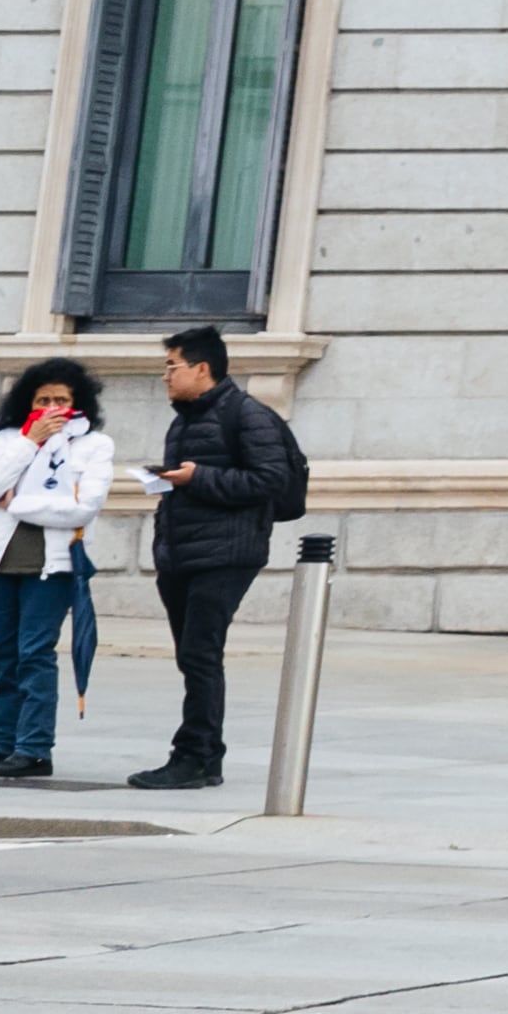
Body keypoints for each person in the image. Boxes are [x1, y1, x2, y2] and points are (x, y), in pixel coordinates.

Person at [130, 324, 310, 791]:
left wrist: (199, 478)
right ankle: (205, 757)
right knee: (193, 656)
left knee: (200, 654)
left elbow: (269, 480)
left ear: (202, 368)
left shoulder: (248, 415)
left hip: (226, 553)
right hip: (182, 553)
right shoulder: (184, 420)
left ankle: (194, 756)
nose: (165, 376)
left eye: (172, 366)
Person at [0, 359, 117, 781]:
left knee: (34, 653)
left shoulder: (94, 446)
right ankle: (2, 740)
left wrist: (17, 505)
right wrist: (30, 441)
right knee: (0, 654)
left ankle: (34, 747)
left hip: (52, 566)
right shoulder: (9, 440)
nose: (50, 409)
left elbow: (81, 508)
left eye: (60, 400)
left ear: (77, 403)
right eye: (42, 400)